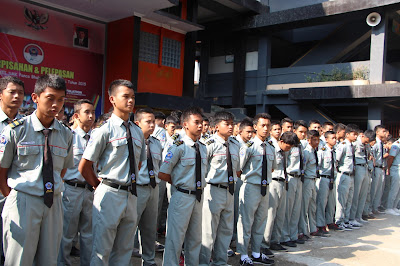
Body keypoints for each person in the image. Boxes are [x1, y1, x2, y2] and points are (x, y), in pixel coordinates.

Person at [0, 74, 73, 265]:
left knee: (49, 259)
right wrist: (15, 196)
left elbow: (61, 170)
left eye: (60, 100)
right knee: (19, 259)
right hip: (24, 200)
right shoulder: (17, 130)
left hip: (53, 203)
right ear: (35, 98)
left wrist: (50, 189)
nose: (55, 105)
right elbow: (2, 171)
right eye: (50, 98)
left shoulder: (66, 134)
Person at [79, 79, 146, 265]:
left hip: (131, 194)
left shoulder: (137, 132)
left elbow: (139, 163)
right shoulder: (104, 130)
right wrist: (97, 185)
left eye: (133, 97)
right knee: (102, 249)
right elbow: (84, 165)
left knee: (124, 249)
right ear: (112, 99)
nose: (131, 101)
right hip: (109, 193)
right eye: (125, 96)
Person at [159, 107, 207, 266]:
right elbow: (163, 173)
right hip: (182, 196)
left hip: (198, 196)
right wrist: (180, 184)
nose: (200, 126)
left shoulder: (203, 147)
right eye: (196, 122)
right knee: (175, 238)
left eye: (201, 123)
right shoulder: (178, 146)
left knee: (195, 238)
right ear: (185, 124)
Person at [199, 111, 241, 266]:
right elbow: (202, 169)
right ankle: (203, 262)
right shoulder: (209, 144)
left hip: (230, 189)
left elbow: (237, 168)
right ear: (216, 126)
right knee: (208, 231)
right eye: (226, 123)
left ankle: (220, 262)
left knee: (226, 230)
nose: (230, 127)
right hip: (213, 189)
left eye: (232, 123)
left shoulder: (235, 144)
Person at [58, 99, 95, 266]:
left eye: (93, 112)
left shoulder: (96, 137)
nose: (91, 116)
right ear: (76, 116)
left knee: (88, 234)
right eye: (87, 112)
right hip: (71, 190)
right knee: (67, 233)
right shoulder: (68, 137)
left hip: (90, 191)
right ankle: (62, 263)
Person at [237, 113, 275, 266]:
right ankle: (243, 254)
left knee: (260, 221)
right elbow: (238, 168)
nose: (266, 129)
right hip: (251, 187)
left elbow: (272, 168)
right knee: (246, 222)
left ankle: (256, 252)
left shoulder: (271, 147)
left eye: (268, 125)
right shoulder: (248, 147)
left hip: (265, 188)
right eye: (262, 125)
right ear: (255, 127)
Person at [132, 108, 164, 265]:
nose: (152, 125)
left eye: (153, 122)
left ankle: (149, 260)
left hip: (154, 188)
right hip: (137, 188)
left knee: (150, 229)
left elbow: (160, 166)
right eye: (148, 122)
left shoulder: (157, 143)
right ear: (138, 123)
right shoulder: (131, 142)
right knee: (130, 226)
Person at [0, 76, 25, 262]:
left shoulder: (26, 125)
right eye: (12, 92)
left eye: (21, 93)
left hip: (15, 191)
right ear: (1, 94)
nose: (17, 96)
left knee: (14, 243)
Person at [261, 131, 298, 255]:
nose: (289, 149)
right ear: (281, 142)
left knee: (281, 214)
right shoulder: (271, 148)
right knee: (270, 215)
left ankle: (275, 241)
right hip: (273, 183)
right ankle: (264, 244)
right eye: (288, 146)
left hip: (283, 182)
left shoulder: (284, 152)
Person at [281, 120, 307, 248]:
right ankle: (284, 236)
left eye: (304, 132)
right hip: (290, 177)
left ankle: (293, 235)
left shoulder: (301, 146)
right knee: (288, 209)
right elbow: (284, 163)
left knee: (296, 209)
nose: (303, 134)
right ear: (294, 131)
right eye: (300, 132)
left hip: (299, 178)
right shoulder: (289, 145)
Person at [231, 117, 254, 251]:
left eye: (251, 132)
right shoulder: (236, 143)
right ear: (240, 131)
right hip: (236, 179)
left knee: (241, 211)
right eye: (247, 132)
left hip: (244, 181)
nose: (250, 135)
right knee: (234, 211)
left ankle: (236, 238)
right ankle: (231, 239)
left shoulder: (249, 145)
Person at [335, 124, 359, 230]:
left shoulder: (351, 146)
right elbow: (336, 160)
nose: (356, 137)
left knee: (349, 199)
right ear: (347, 134)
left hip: (351, 175)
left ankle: (346, 220)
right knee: (342, 199)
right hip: (344, 174)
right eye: (354, 134)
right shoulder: (343, 145)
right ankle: (339, 221)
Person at [349, 130, 376, 226]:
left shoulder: (367, 145)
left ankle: (358, 216)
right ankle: (352, 217)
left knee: (363, 194)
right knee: (356, 194)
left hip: (365, 167)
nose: (367, 142)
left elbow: (369, 155)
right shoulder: (355, 143)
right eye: (366, 140)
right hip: (358, 167)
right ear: (363, 136)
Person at [299, 130, 320, 239]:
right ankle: (303, 230)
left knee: (312, 206)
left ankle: (313, 228)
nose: (317, 142)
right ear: (309, 140)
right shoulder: (306, 152)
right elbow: (303, 168)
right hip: (307, 180)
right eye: (314, 140)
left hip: (313, 180)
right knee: (305, 206)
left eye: (318, 140)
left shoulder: (314, 152)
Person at [316, 131, 337, 235]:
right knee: (322, 202)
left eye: (335, 138)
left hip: (332, 178)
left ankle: (329, 221)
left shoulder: (335, 151)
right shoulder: (322, 151)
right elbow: (317, 165)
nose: (334, 140)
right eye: (332, 138)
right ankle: (320, 225)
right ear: (326, 139)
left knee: (332, 201)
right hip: (324, 178)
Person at [370, 125, 387, 214]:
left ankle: (375, 208)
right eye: (383, 131)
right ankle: (370, 209)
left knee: (379, 190)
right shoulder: (375, 143)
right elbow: (372, 156)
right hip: (376, 168)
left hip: (381, 168)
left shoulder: (381, 143)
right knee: (374, 189)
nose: (384, 133)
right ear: (377, 132)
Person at [387, 137, 400, 214]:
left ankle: (394, 206)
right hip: (396, 168)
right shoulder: (396, 145)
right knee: (394, 189)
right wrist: (388, 168)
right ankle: (389, 207)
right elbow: (391, 157)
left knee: (398, 190)